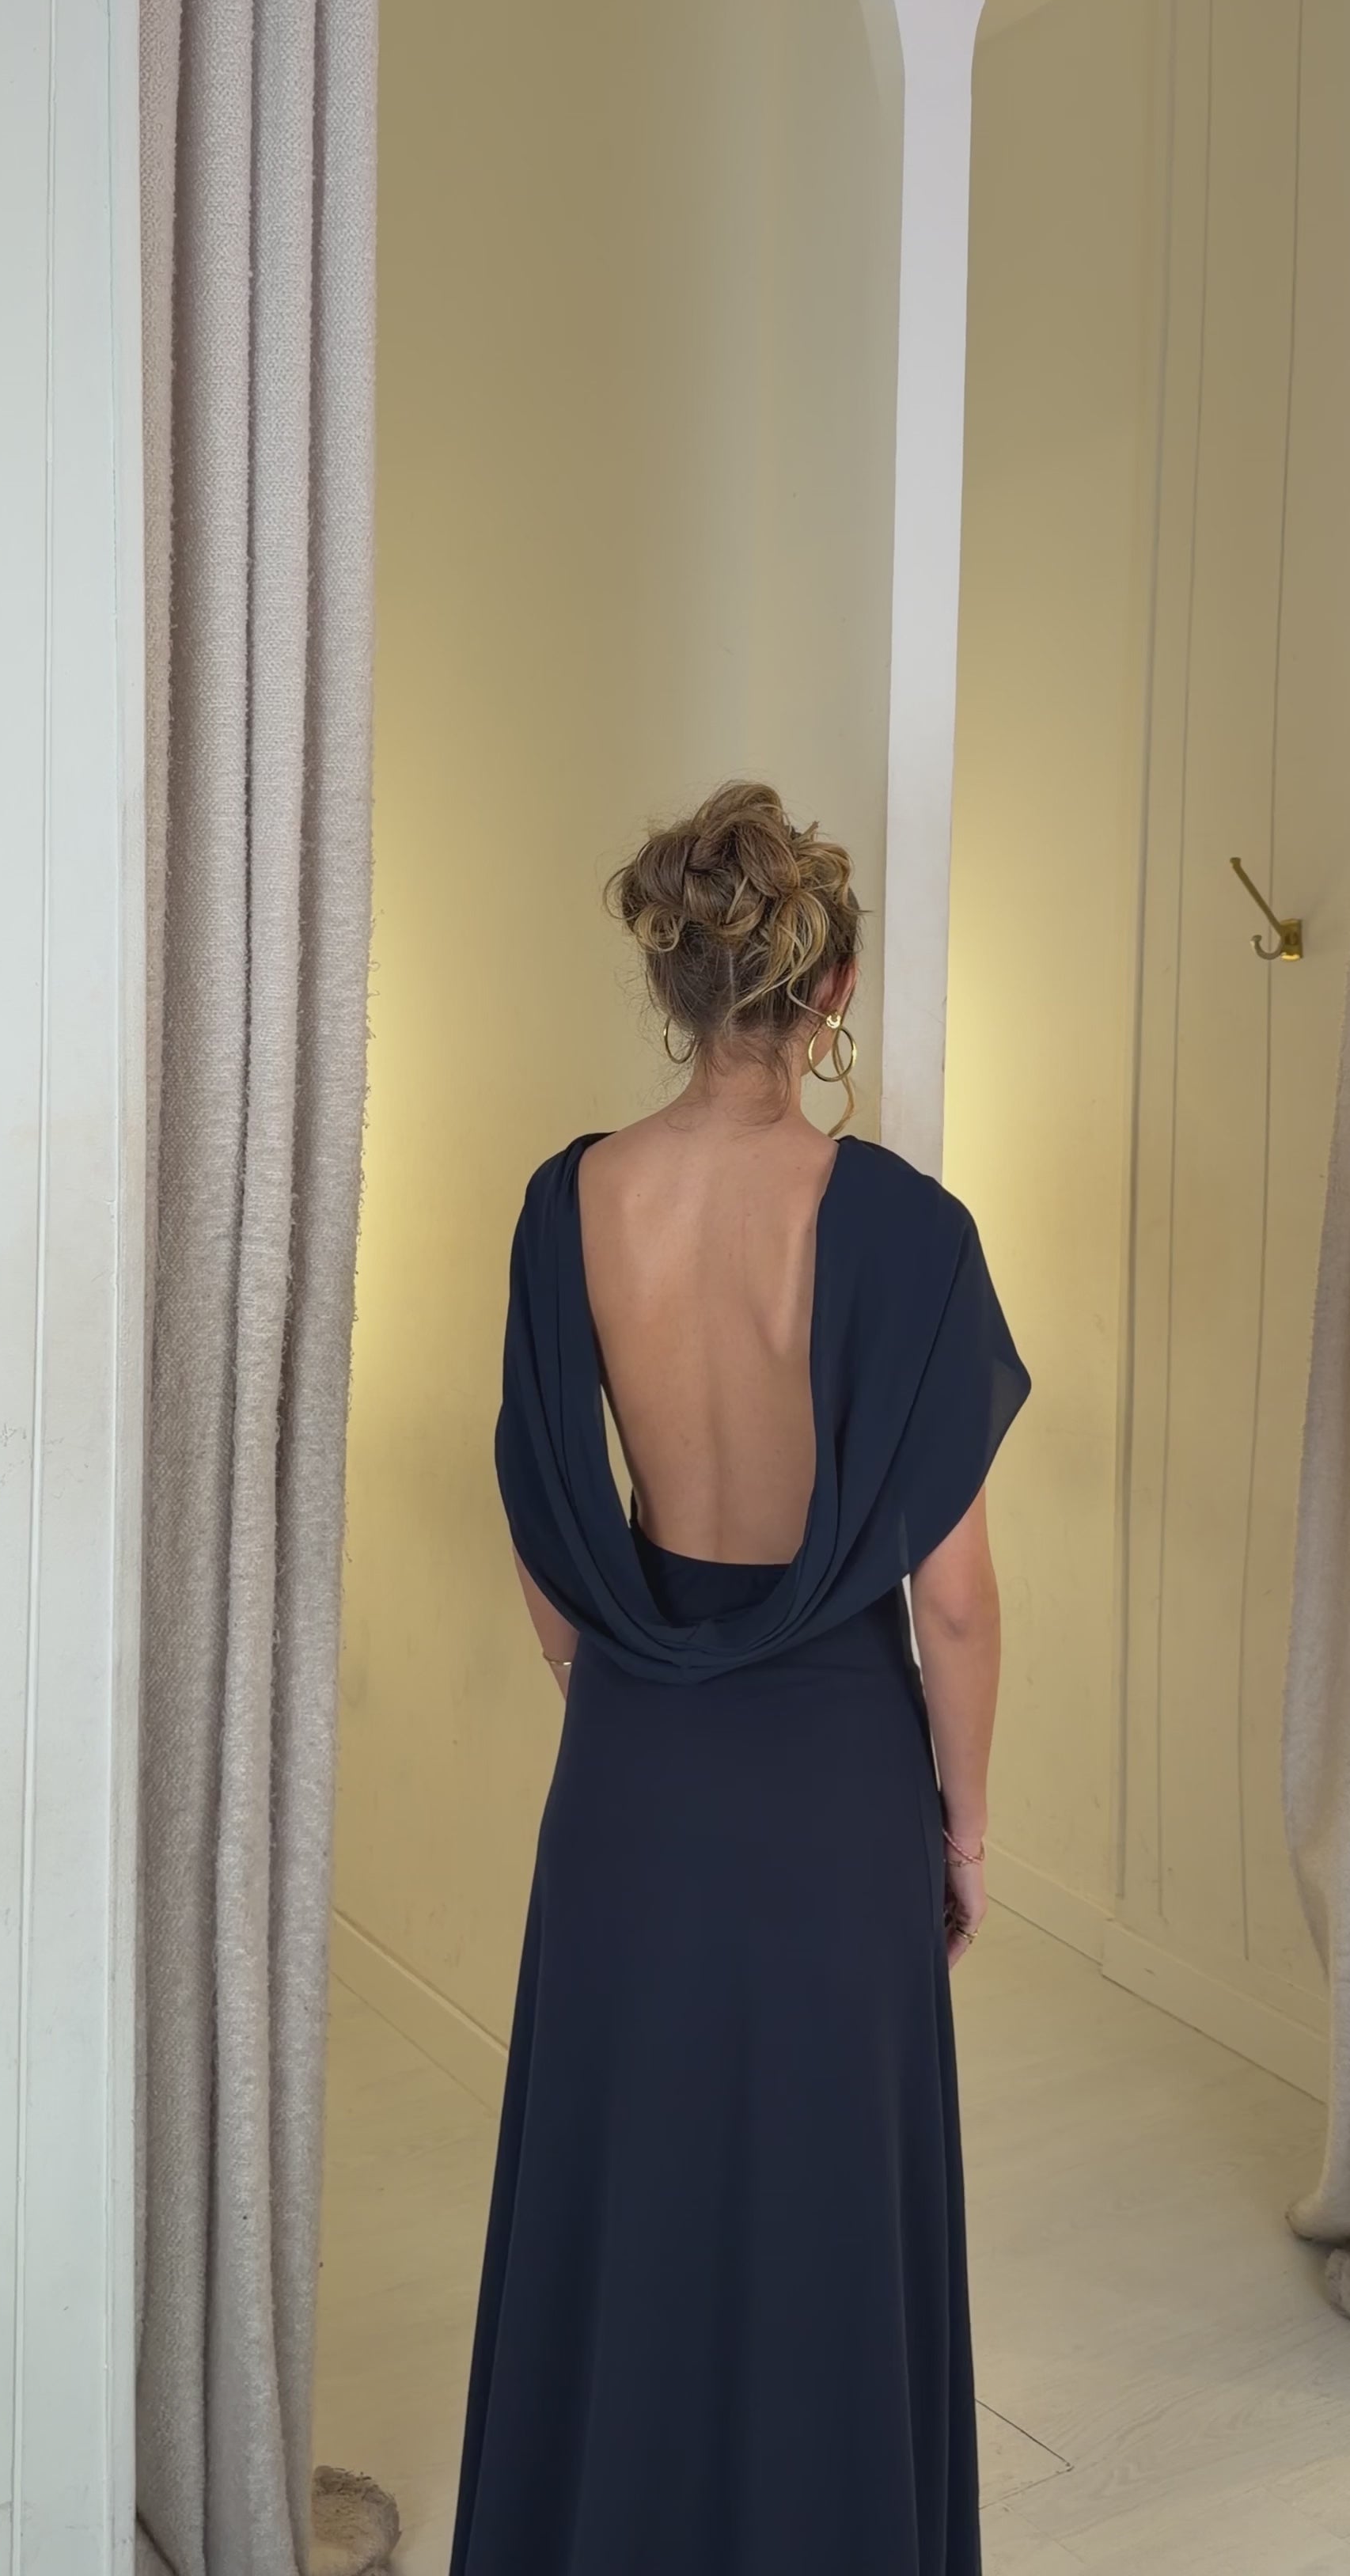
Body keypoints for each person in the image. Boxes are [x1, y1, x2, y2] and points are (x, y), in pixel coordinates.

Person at [447, 780, 1030, 2576]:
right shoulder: (910, 1232)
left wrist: (627, 1707)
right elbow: (955, 1607)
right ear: (829, 990)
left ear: (674, 980)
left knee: (624, 2202)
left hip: (633, 1779)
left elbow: (548, 1542)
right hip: (837, 1788)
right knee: (827, 2217)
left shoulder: (570, 1205)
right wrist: (963, 1833)